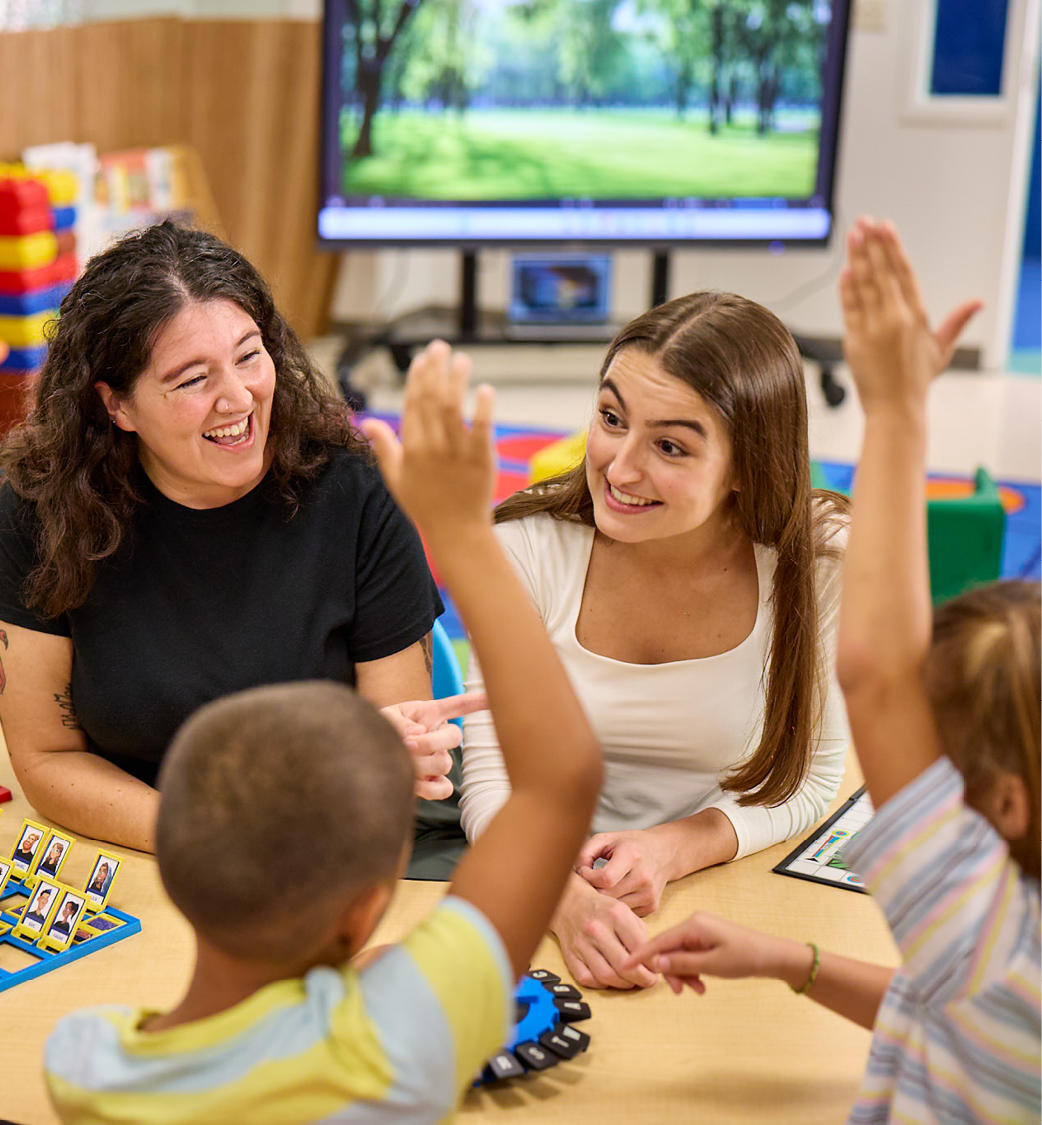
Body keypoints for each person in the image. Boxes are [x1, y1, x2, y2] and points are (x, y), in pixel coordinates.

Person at [44, 340, 602, 1123]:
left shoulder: (81, 1057)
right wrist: (464, 535)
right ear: (365, 910)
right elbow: (561, 784)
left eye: (246, 357)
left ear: (178, 876)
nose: (234, 393)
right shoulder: (396, 1043)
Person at [626, 219, 1040, 1122]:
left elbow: (882, 674)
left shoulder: (988, 939)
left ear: (1006, 804)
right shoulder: (988, 965)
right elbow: (941, 1014)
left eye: (948, 755)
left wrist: (896, 410)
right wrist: (791, 958)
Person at [0, 222, 478, 876]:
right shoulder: (38, 508)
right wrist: (209, 835)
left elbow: (389, 755)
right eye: (192, 379)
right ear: (116, 405)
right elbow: (47, 757)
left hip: (320, 841)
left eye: (250, 355)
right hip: (146, 847)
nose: (239, 398)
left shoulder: (356, 494)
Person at [460, 289, 850, 988]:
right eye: (612, 418)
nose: (619, 466)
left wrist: (676, 847)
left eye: (669, 445)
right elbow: (488, 778)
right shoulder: (522, 550)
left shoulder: (819, 566)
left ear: (746, 467)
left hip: (728, 875)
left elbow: (813, 778)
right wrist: (560, 895)